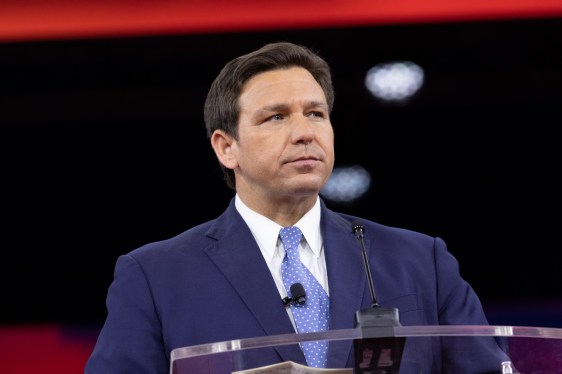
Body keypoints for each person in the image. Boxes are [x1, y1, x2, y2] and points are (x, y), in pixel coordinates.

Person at [85, 41, 510, 373]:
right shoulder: (156, 277)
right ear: (226, 147)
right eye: (277, 117)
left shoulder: (420, 261)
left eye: (315, 113)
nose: (305, 132)